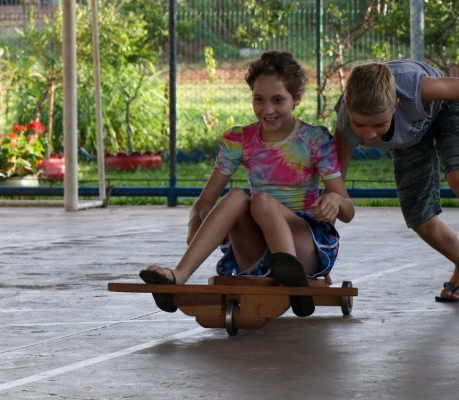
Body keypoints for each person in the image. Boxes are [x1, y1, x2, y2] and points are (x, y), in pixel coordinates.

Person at [139, 51, 355, 316]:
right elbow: (206, 201)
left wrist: (334, 200)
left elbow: (348, 210)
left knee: (262, 201)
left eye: (278, 100)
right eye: (259, 99)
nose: (267, 109)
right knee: (237, 197)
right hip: (257, 249)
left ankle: (295, 279)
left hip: (304, 245)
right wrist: (196, 220)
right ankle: (178, 276)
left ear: (296, 98)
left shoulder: (313, 139)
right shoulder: (240, 140)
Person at [333, 59, 459, 302]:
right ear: (348, 110)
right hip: (410, 136)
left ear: (395, 104)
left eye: (378, 124)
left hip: (445, 110)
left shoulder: (416, 87)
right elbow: (336, 186)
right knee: (419, 217)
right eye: (359, 124)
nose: (369, 134)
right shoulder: (344, 124)